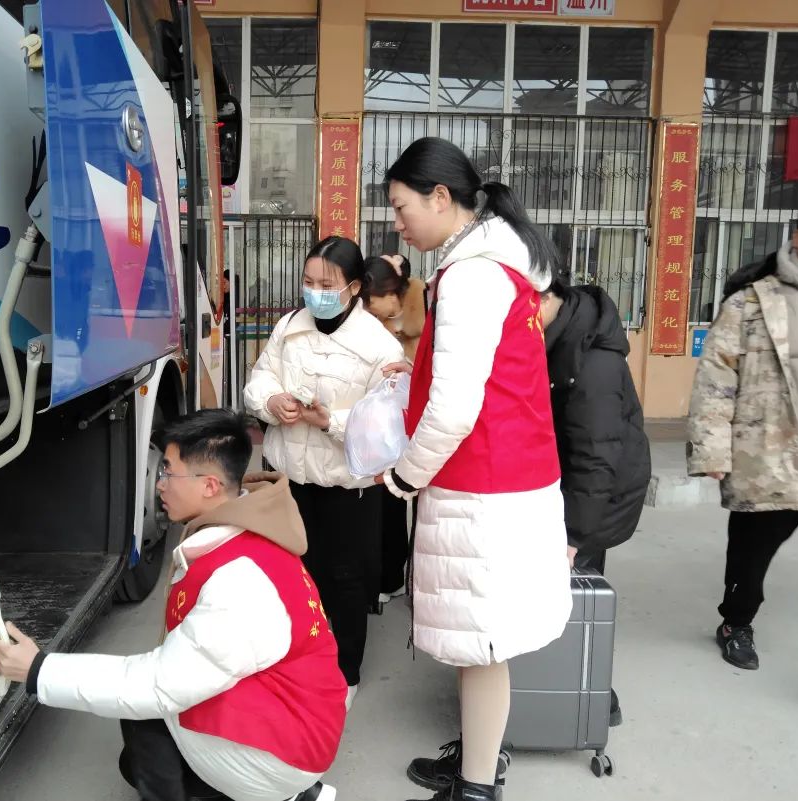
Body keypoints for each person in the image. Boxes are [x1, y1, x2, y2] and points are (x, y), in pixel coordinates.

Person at [0, 409, 345, 801]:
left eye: (168, 472)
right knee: (138, 751)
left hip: (287, 755)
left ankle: (280, 793)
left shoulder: (238, 581)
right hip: (300, 721)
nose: (159, 484)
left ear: (209, 485)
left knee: (143, 709)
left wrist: (38, 670)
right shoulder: (251, 535)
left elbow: (158, 685)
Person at [377, 137, 572, 801]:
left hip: (484, 484)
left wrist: (404, 475)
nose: (398, 224)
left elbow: (455, 409)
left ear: (440, 197)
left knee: (481, 644)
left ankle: (478, 786)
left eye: (401, 207)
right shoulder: (491, 266)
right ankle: (478, 760)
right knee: (478, 643)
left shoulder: (471, 276)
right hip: (504, 477)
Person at [688, 189, 798, 722]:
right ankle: (736, 622)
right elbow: (716, 379)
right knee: (749, 561)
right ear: (796, 234)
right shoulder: (752, 301)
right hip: (769, 461)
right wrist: (712, 448)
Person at [243, 236, 404, 702]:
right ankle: (296, 662)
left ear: (353, 287)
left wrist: (329, 421)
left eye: (326, 285)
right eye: (309, 282)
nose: (315, 292)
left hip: (347, 488)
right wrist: (271, 400)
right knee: (294, 573)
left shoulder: (379, 344)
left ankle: (345, 673)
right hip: (291, 480)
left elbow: (387, 426)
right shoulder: (290, 326)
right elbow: (260, 378)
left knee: (346, 579)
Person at [538, 271, 651, 727]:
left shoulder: (593, 362)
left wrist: (574, 537)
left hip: (593, 498)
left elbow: (596, 455)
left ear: (542, 296)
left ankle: (592, 697)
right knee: (561, 599)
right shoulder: (561, 333)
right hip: (574, 489)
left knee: (571, 597)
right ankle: (562, 691)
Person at [361, 253, 426, 605]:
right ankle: (385, 576)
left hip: (414, 418)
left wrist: (411, 371)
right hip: (381, 419)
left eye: (372, 302)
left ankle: (396, 577)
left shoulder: (425, 307)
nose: (368, 310)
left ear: (391, 293)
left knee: (402, 500)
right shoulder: (373, 322)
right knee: (383, 501)